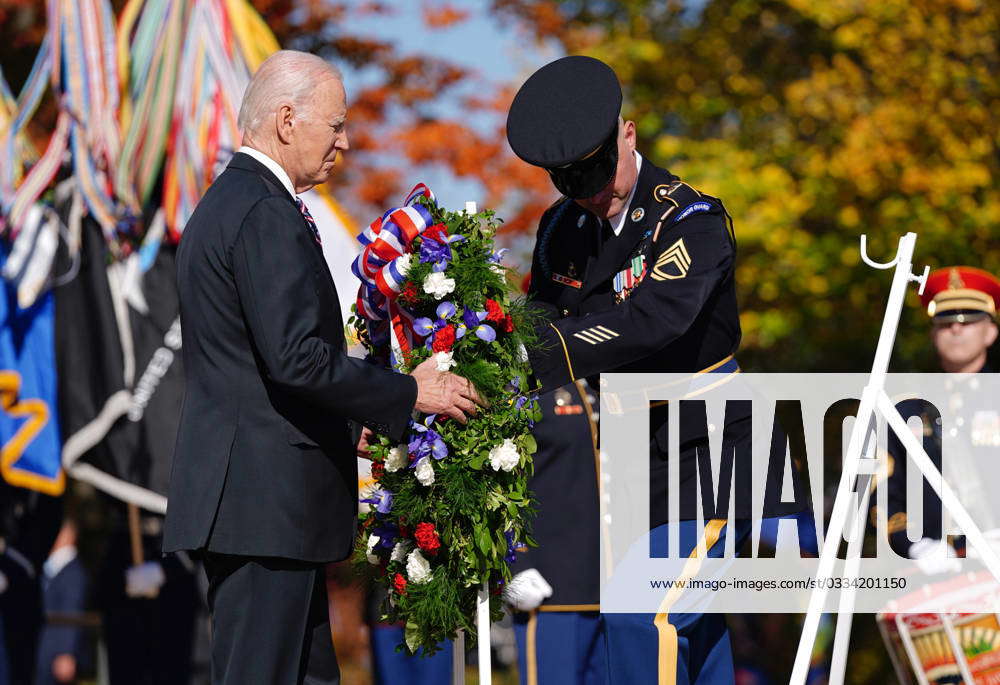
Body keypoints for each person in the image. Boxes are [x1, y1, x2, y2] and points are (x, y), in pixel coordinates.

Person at [163, 50, 482, 685]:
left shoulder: (238, 203)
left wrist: (344, 428)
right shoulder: (260, 211)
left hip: (269, 506)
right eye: (334, 125)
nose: (345, 141)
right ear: (286, 120)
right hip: (263, 509)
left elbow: (259, 370)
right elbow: (296, 358)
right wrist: (404, 392)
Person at [507, 55, 756, 685]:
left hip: (708, 465)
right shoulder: (562, 226)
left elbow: (651, 321)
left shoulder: (690, 221)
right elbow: (541, 314)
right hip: (628, 471)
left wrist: (537, 354)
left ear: (629, 133)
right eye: (569, 181)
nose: (589, 192)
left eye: (596, 170)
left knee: (642, 618)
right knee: (690, 641)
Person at [882, 266, 1000, 574]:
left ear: (991, 331)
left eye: (969, 321)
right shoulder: (904, 411)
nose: (957, 330)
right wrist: (914, 544)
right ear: (933, 333)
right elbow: (880, 494)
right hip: (937, 576)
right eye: (946, 323)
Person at [506, 378, 607, 685]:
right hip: (550, 584)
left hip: (610, 582)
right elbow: (503, 476)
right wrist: (515, 563)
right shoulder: (530, 381)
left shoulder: (604, 377)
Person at [35, 519, 87, 685]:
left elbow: (71, 612)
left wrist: (66, 652)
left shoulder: (73, 573)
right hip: (44, 652)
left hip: (56, 655)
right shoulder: (52, 568)